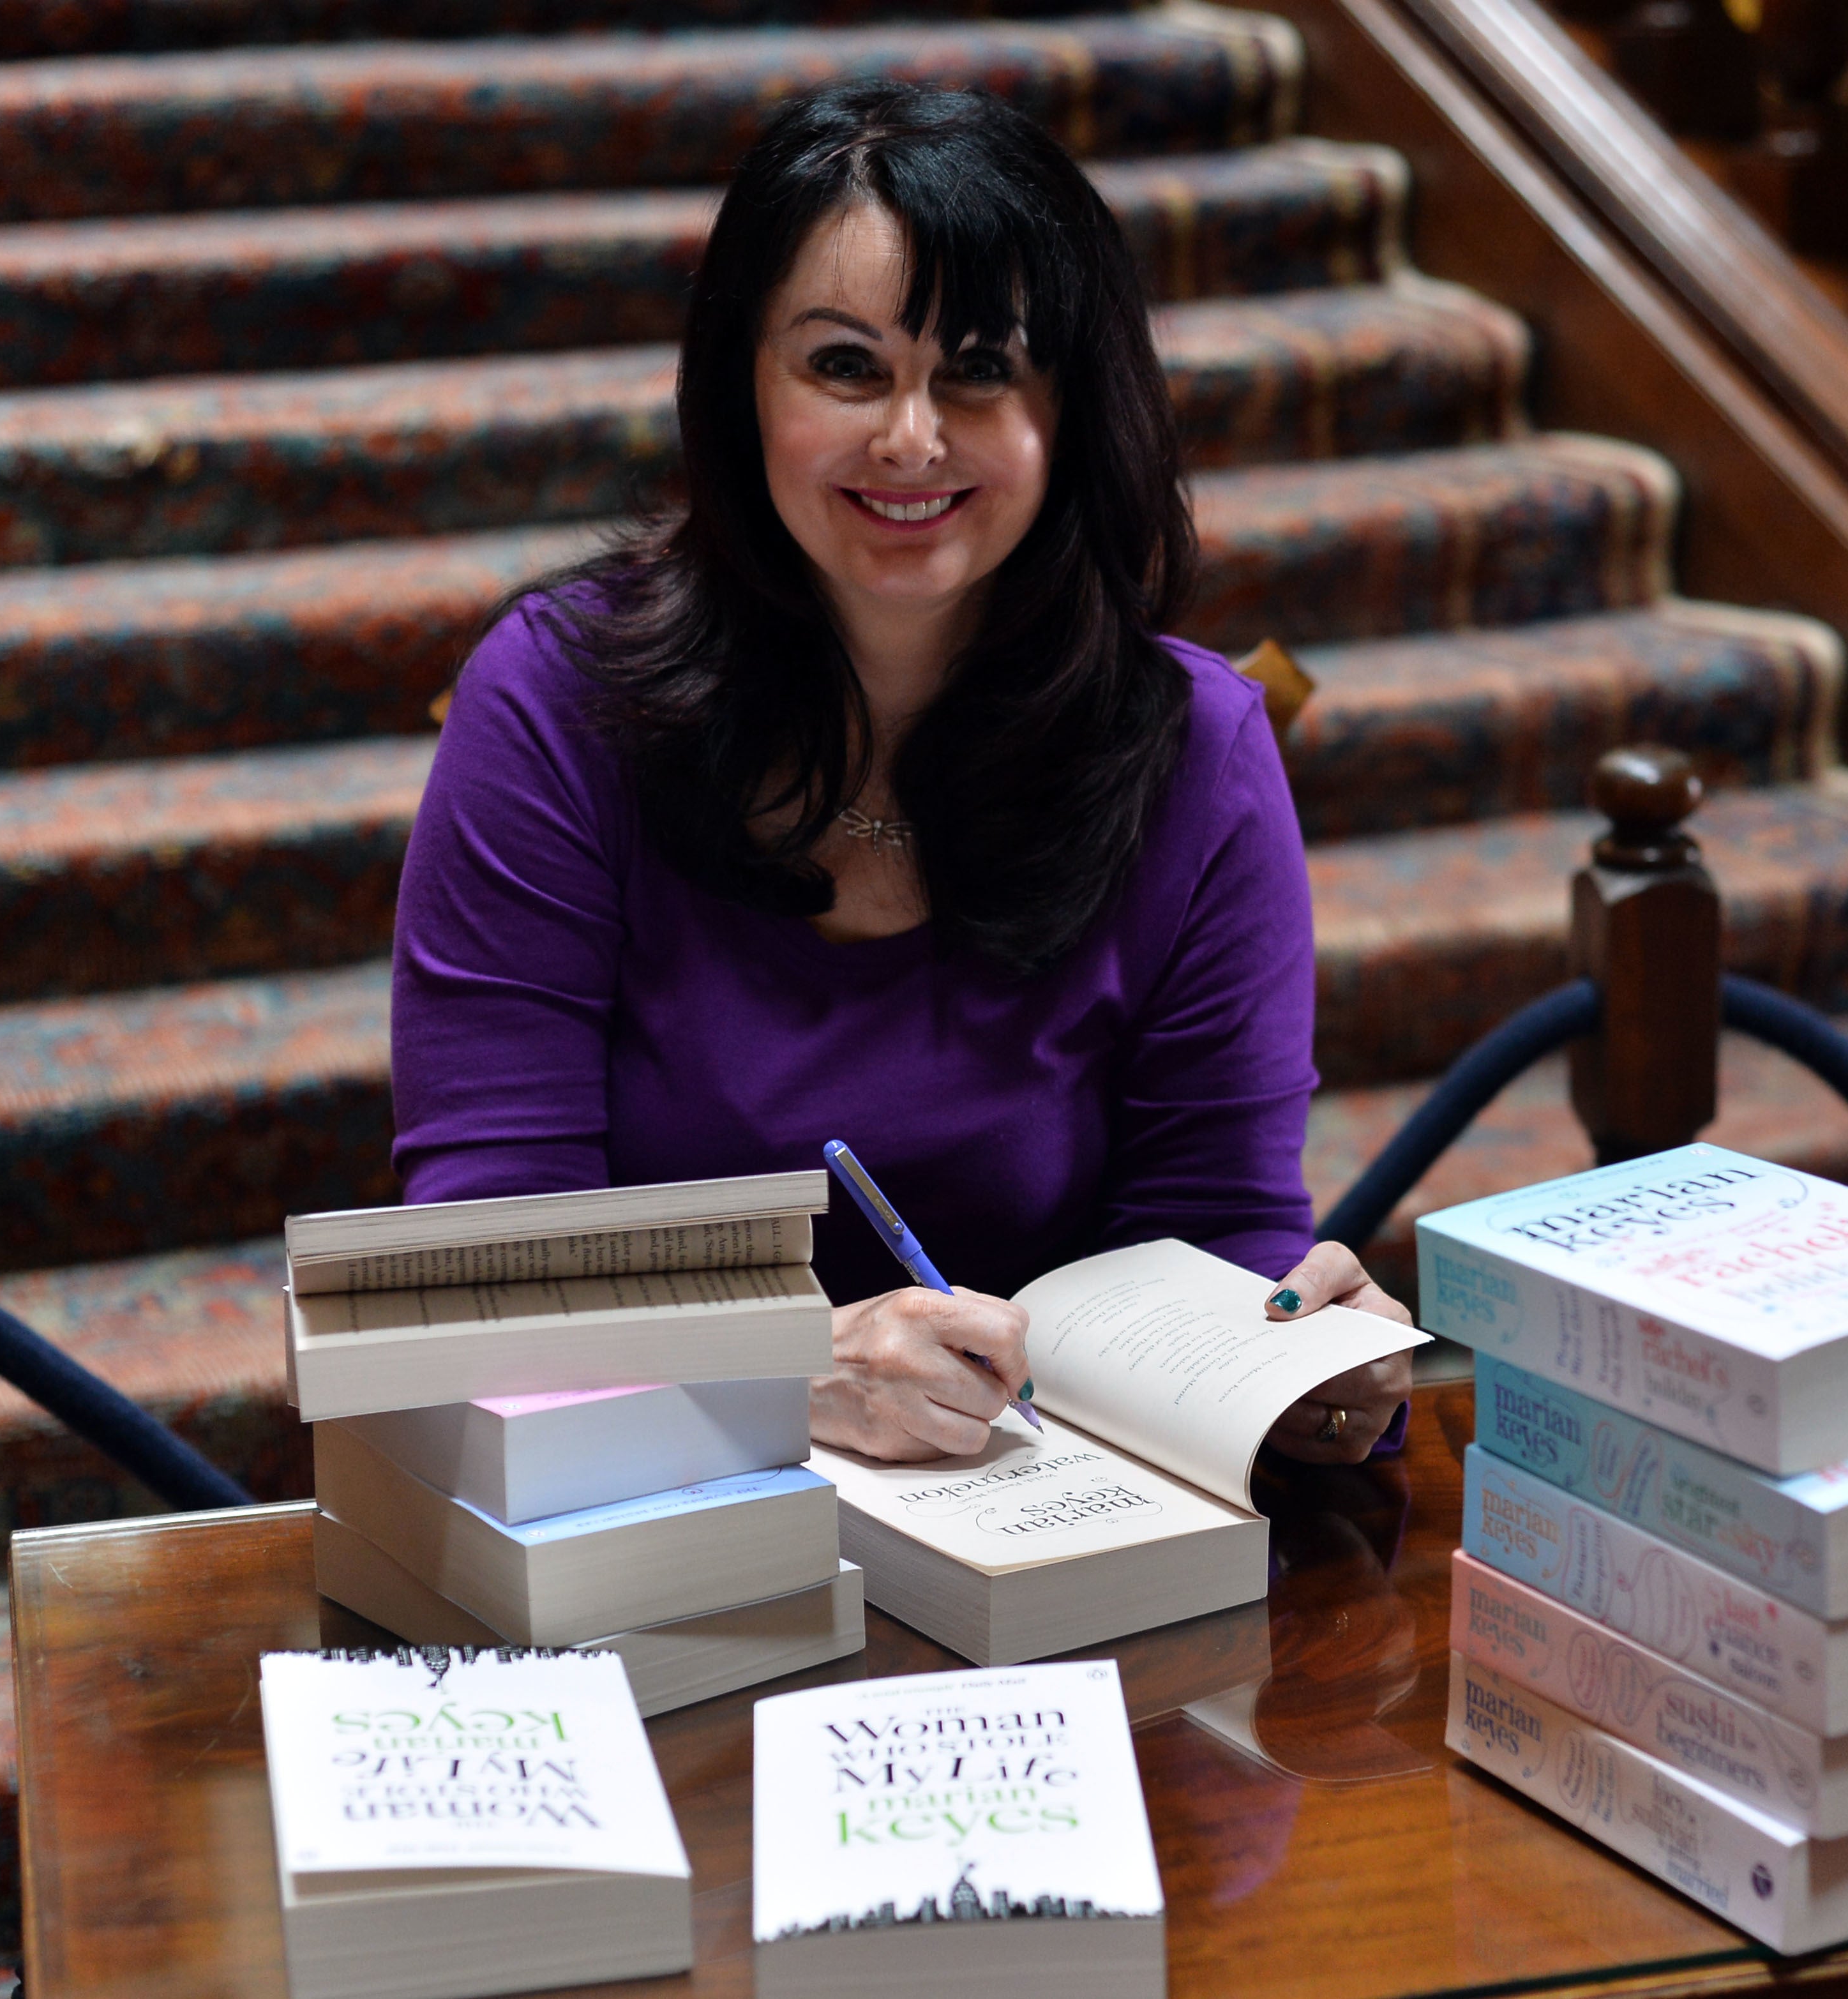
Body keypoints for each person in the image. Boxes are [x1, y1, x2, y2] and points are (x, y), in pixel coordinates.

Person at [389, 80, 1414, 1468]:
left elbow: (1210, 1234)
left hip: (1034, 1515)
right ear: (743, 383)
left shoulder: (1191, 749)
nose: (912, 438)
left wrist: (1280, 1371)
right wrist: (773, 1380)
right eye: (846, 367)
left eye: (980, 369)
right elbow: (480, 1265)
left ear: (1073, 404)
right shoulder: (558, 701)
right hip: (631, 1516)